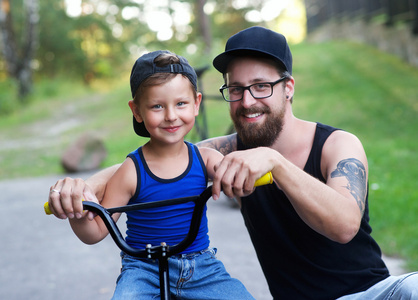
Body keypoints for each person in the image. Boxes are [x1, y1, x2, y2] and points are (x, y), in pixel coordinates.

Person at [49, 27, 418, 299]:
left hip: (375, 293)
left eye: (261, 86)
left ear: (288, 88)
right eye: (236, 89)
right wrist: (77, 188)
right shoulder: (223, 153)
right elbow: (150, 167)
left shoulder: (336, 144)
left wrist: (275, 163)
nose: (247, 100)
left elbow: (344, 226)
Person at [47, 50, 254, 299]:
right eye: (157, 106)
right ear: (136, 111)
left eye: (181, 103)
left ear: (196, 103)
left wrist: (239, 177)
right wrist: (78, 213)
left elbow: (233, 177)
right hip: (143, 270)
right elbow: (96, 232)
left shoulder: (207, 159)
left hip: (201, 267)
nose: (170, 115)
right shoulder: (131, 171)